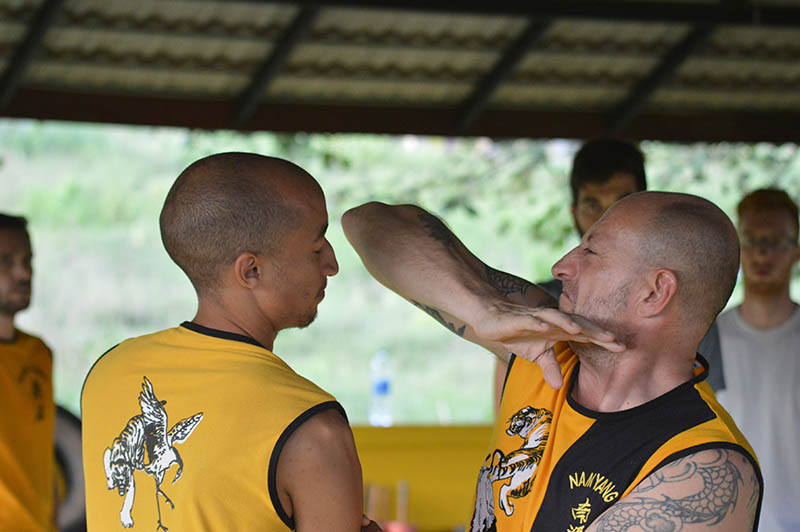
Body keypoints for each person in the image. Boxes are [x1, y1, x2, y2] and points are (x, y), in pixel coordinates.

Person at [342, 191, 762, 531]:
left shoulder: (705, 465)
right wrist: (480, 308)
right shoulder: (542, 342)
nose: (561, 267)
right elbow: (368, 223)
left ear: (655, 292)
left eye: (591, 253)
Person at [81, 153, 379, 532]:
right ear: (251, 270)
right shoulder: (312, 431)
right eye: (317, 248)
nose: (332, 264)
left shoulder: (108, 373)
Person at [712, 188, 800, 532]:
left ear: (795, 251)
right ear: (737, 249)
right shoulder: (705, 338)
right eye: (751, 240)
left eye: (776, 241)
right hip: (730, 524)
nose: (763, 252)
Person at [0, 213, 57, 532]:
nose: (23, 273)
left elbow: (41, 448)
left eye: (27, 260)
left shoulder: (39, 353)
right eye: (5, 262)